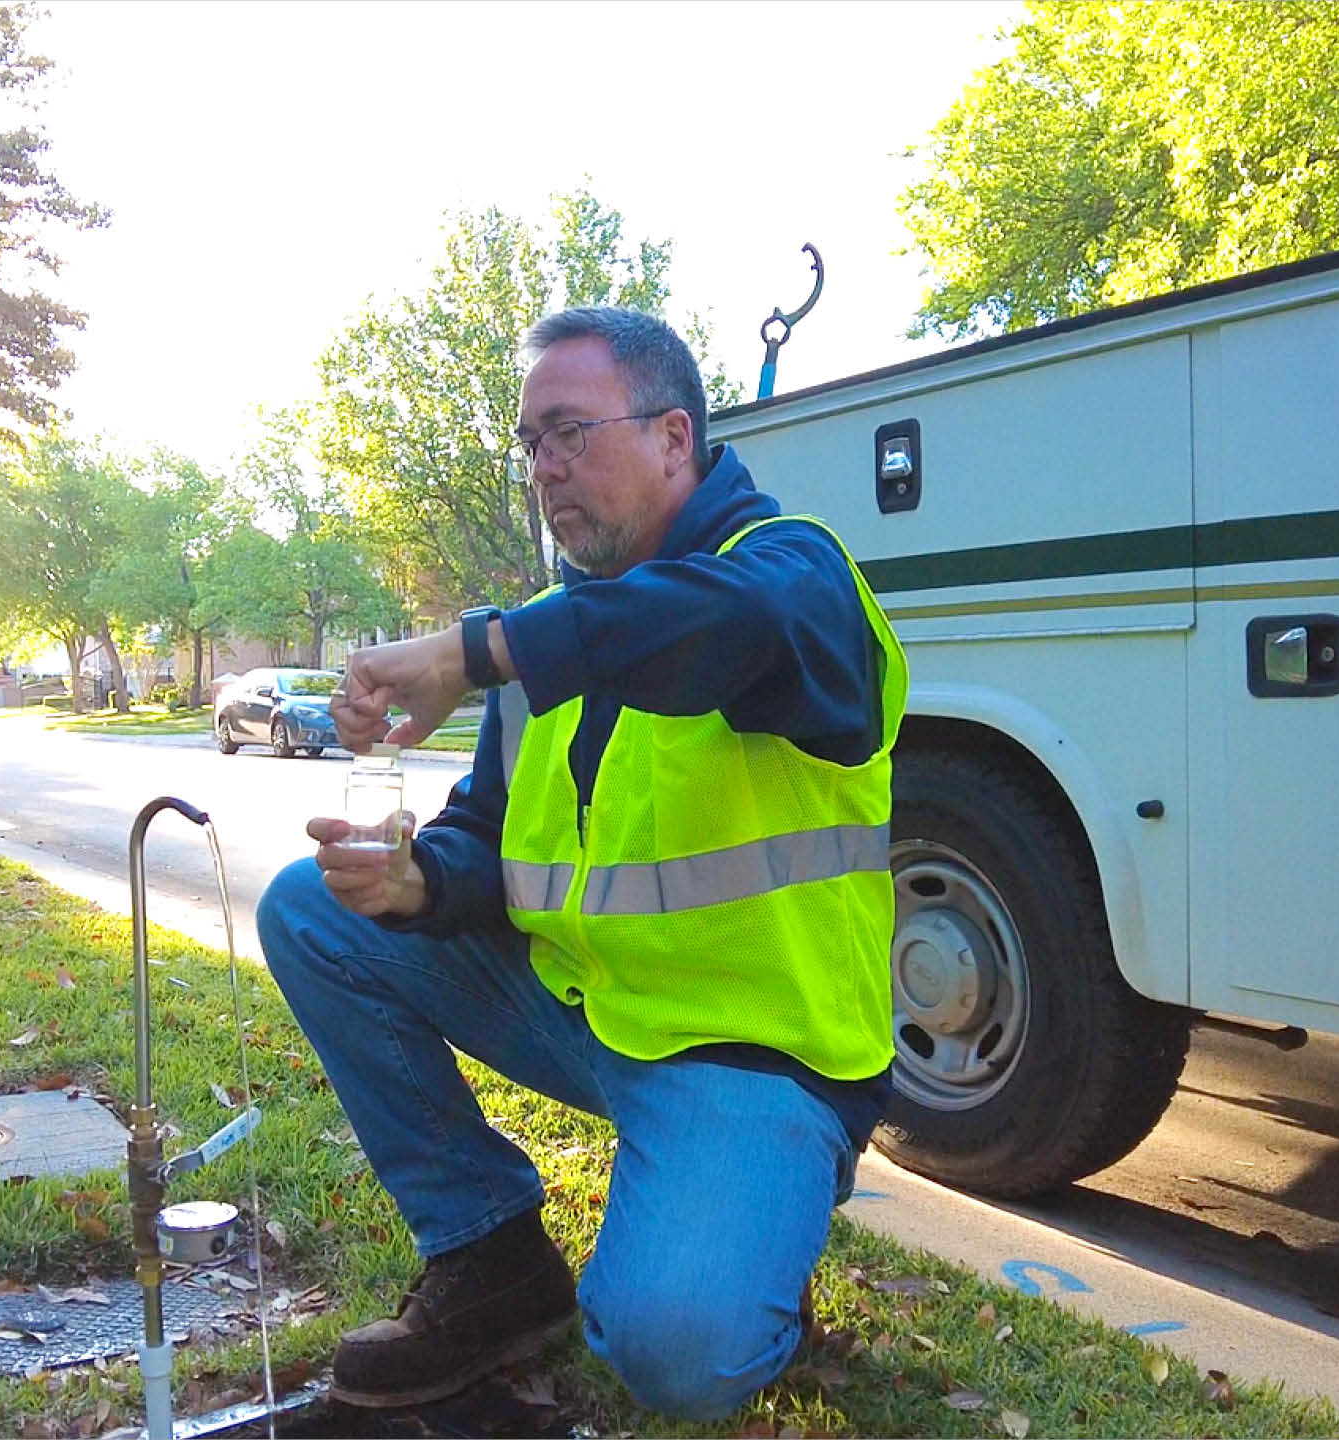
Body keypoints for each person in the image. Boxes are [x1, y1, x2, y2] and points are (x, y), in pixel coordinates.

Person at [256, 306, 908, 1421]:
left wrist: (474, 650)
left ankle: (756, 1246)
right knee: (313, 912)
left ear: (672, 438)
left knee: (674, 1351)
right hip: (585, 1010)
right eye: (529, 444)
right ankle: (491, 1257)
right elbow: (489, 834)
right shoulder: (557, 625)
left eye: (568, 432)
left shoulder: (791, 574)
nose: (544, 469)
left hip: (751, 1055)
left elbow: (719, 626)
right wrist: (419, 883)